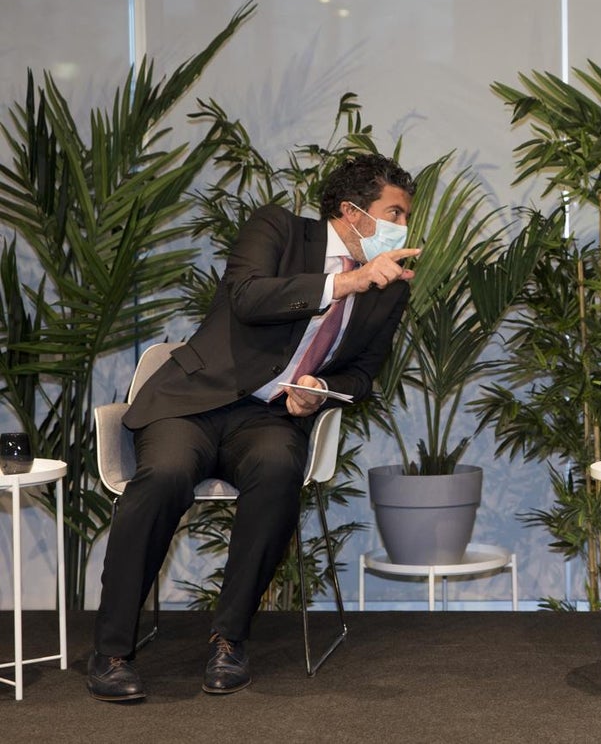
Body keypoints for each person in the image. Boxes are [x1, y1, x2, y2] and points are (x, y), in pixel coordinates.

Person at [87, 153, 420, 702]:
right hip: (192, 402)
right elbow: (247, 297)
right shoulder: (278, 229)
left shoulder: (393, 290)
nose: (403, 229)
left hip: (269, 417)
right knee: (166, 473)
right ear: (352, 211)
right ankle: (112, 650)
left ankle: (229, 641)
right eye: (395, 213)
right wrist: (346, 283)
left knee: (278, 470)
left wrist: (320, 392)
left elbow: (364, 374)